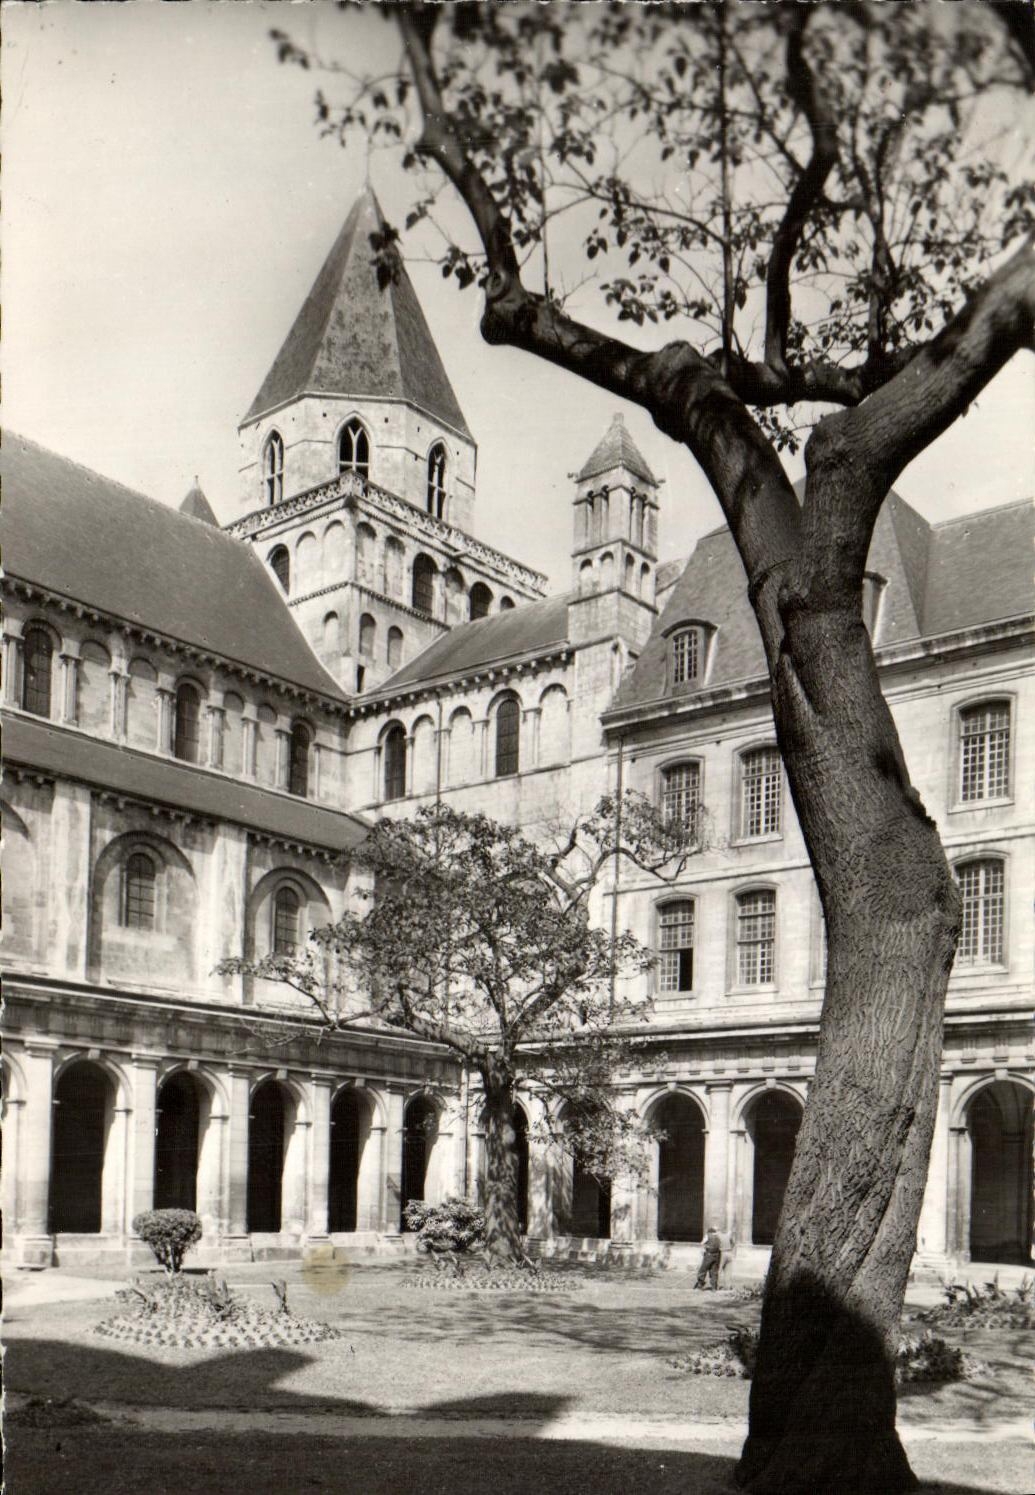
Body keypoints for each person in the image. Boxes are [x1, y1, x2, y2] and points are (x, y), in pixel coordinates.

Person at [694, 1224, 722, 1290]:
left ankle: (700, 1285)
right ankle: (714, 1287)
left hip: (709, 1255)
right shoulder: (718, 1237)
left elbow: (702, 1243)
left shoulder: (708, 1236)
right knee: (714, 1271)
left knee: (703, 1270)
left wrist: (705, 1248)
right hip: (717, 1256)